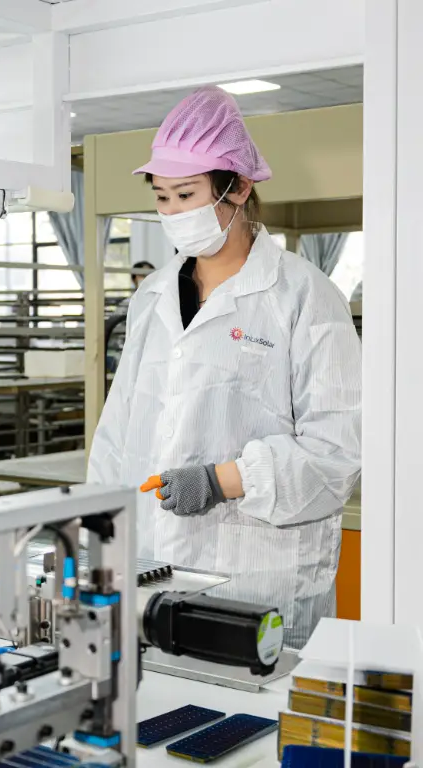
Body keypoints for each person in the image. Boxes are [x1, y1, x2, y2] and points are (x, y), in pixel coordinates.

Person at [86, 86, 361, 649]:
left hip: (260, 578)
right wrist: (97, 539)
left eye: (186, 194)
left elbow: (338, 450)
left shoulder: (304, 296)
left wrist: (221, 481)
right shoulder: (153, 296)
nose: (173, 213)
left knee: (252, 724)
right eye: (162, 197)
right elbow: (119, 432)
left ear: (238, 187)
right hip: (151, 569)